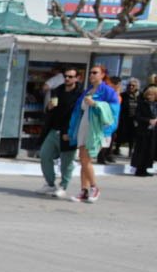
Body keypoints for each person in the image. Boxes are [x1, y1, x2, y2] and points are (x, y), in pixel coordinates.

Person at [68, 65, 119, 203]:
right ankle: (84, 191)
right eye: (90, 73)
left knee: (86, 160)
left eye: (95, 73)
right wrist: (72, 130)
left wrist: (96, 103)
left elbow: (114, 111)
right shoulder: (87, 91)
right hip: (83, 127)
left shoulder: (108, 91)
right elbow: (77, 111)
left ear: (102, 75)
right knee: (83, 160)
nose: (91, 75)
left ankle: (94, 187)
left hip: (96, 130)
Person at [37, 68, 81, 198]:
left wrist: (72, 133)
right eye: (66, 76)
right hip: (53, 129)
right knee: (44, 154)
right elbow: (50, 110)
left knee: (67, 161)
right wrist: (48, 108)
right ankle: (50, 184)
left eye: (70, 77)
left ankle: (63, 186)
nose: (67, 79)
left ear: (77, 78)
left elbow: (80, 115)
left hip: (68, 131)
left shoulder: (80, 94)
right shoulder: (58, 90)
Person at [130, 84, 157, 177]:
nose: (150, 96)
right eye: (149, 94)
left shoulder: (155, 105)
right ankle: (139, 169)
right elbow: (137, 117)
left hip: (153, 132)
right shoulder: (142, 104)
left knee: (150, 151)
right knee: (141, 150)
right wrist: (148, 120)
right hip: (143, 131)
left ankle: (145, 169)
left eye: (152, 94)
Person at [115, 77, 140, 157]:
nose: (131, 87)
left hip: (134, 119)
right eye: (129, 85)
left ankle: (130, 151)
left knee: (132, 136)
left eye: (133, 85)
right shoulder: (123, 95)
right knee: (120, 134)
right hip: (124, 118)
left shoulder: (140, 96)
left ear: (136, 87)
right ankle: (116, 149)